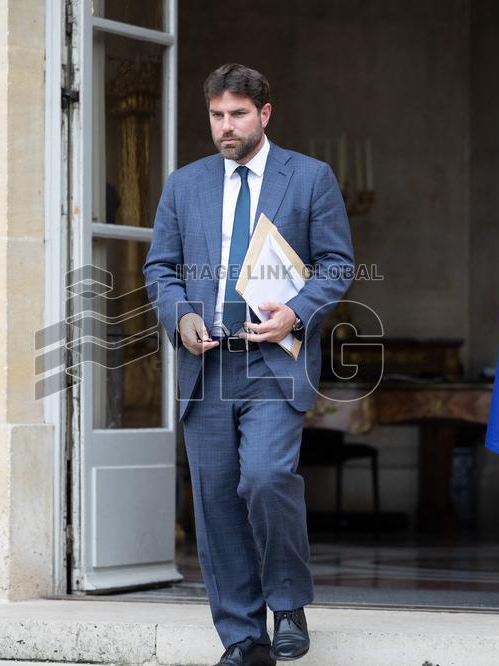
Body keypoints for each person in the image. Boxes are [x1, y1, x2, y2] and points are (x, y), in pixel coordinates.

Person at [143, 63, 354, 666]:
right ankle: (243, 637)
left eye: (237, 114)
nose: (225, 126)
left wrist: (296, 311)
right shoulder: (185, 185)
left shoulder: (310, 178)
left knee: (264, 479)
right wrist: (180, 315)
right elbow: (159, 267)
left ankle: (287, 602)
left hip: (273, 363)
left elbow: (338, 264)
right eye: (216, 115)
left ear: (265, 113)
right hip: (206, 367)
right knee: (214, 504)